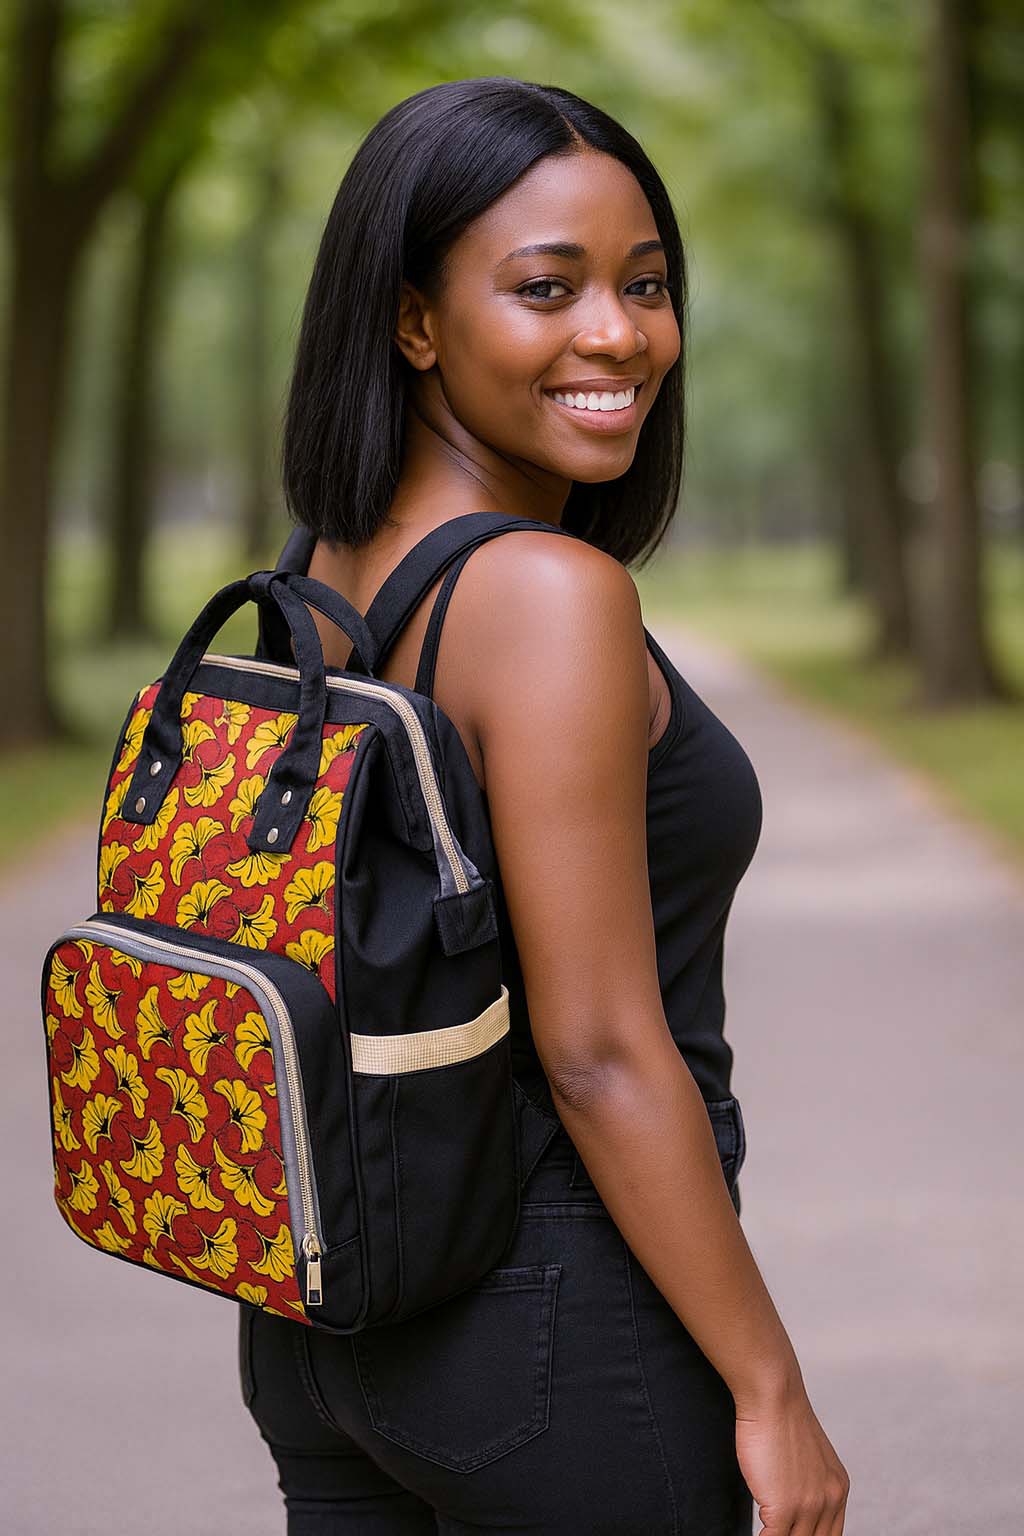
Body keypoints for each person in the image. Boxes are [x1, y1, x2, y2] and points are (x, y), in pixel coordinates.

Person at [238, 76, 851, 1536]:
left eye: (647, 284)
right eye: (546, 287)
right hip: (552, 1319)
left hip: (327, 1308)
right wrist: (770, 1388)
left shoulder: (321, 575)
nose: (619, 334)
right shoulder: (547, 595)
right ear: (415, 322)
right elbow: (597, 1055)